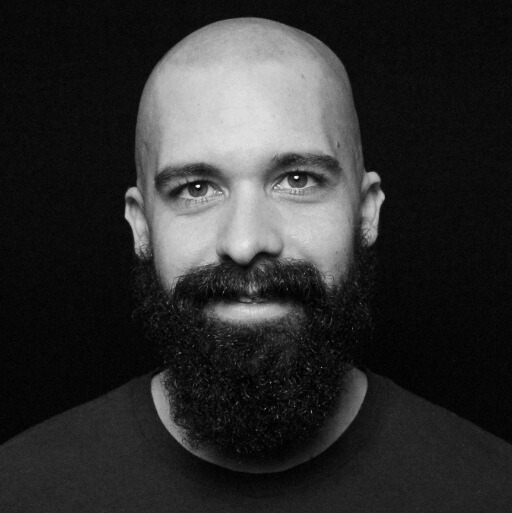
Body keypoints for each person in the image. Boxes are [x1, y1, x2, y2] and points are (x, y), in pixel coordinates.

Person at [1, 17, 511, 512]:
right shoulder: (21, 489)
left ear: (365, 212)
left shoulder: (490, 490)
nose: (245, 244)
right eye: (196, 189)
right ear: (142, 227)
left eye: (297, 180)